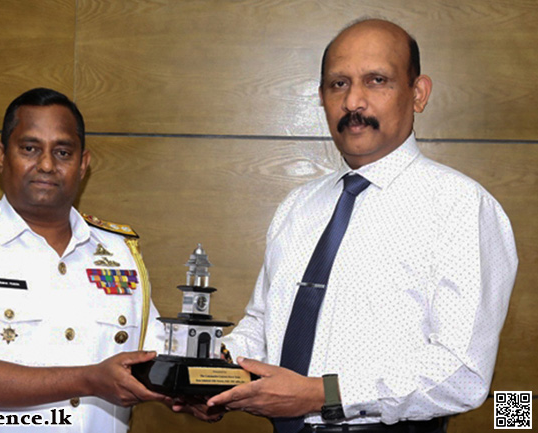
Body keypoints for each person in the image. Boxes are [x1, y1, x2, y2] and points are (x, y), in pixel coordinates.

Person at [208, 18, 518, 433]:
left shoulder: (461, 206)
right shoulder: (297, 207)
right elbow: (263, 325)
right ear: (320, 97)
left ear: (418, 94)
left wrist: (324, 394)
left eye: (376, 80)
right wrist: (209, 376)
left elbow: (461, 374)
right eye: (338, 84)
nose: (354, 101)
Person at [0, 88, 169, 432]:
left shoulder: (120, 252)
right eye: (30, 149)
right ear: (1, 156)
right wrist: (89, 380)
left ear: (83, 164)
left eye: (63, 152)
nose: (46, 165)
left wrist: (210, 391)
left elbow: (159, 361)